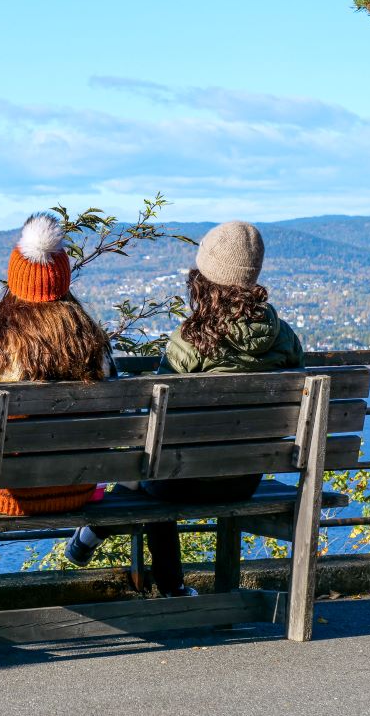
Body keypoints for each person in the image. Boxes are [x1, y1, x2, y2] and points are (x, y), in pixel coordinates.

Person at [64, 220, 304, 597]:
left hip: (185, 481)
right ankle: (106, 544)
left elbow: (156, 418)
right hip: (246, 479)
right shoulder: (284, 337)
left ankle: (161, 578)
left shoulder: (191, 341)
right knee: (158, 470)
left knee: (152, 470)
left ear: (204, 277)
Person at [0, 212, 116, 613]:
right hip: (78, 486)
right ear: (63, 279)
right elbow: (117, 411)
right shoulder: (93, 343)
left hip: (9, 492)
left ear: (16, 280)